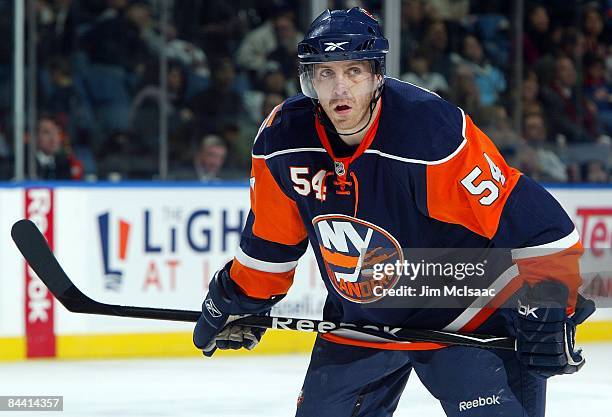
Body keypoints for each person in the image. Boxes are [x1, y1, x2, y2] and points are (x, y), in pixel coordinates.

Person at [193, 8, 595, 417]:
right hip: (361, 321)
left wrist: (549, 306)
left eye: (353, 71)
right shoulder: (283, 141)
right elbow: (270, 246)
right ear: (309, 79)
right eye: (326, 73)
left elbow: (543, 231)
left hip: (467, 314)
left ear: (377, 75)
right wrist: (235, 299)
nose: (340, 90)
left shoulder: (430, 136)